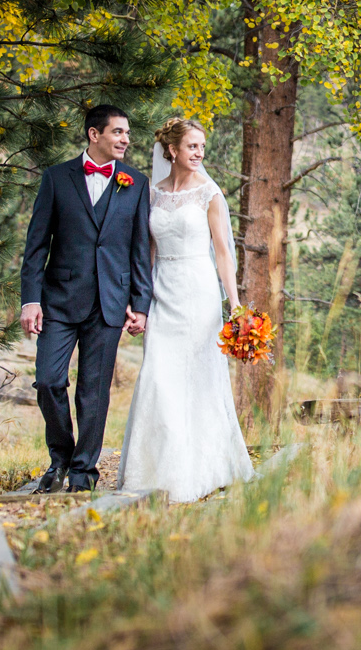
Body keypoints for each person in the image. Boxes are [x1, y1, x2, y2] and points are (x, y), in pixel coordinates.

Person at [117, 115, 255, 500]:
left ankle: (201, 469)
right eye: (193, 146)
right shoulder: (154, 192)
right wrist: (137, 300)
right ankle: (155, 471)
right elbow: (147, 252)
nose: (199, 153)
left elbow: (224, 254)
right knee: (158, 376)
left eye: (203, 147)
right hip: (162, 291)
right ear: (172, 150)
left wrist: (237, 306)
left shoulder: (209, 194)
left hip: (199, 292)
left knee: (198, 379)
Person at [18, 105, 151, 493]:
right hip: (58, 300)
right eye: (118, 132)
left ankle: (82, 473)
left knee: (93, 392)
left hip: (110, 302)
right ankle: (59, 459)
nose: (126, 139)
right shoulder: (57, 178)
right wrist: (31, 300)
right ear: (95, 134)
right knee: (48, 381)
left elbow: (140, 249)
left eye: (127, 133)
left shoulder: (135, 182)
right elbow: (35, 245)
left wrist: (140, 304)